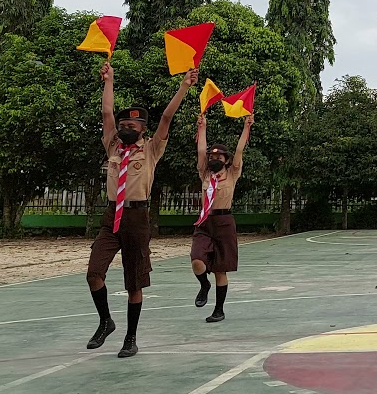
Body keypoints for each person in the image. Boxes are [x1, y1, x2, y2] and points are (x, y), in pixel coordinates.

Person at [87, 62, 197, 358]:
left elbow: (166, 117)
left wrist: (184, 86)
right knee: (94, 273)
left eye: (131, 127)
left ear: (142, 130)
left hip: (136, 218)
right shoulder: (113, 147)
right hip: (112, 215)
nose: (125, 129)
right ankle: (105, 321)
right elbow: (107, 113)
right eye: (123, 126)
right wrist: (108, 80)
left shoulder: (151, 149)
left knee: (134, 280)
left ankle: (131, 337)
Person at [191, 111, 253, 323]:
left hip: (224, 222)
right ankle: (203, 285)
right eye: (212, 157)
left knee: (220, 269)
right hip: (205, 221)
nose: (214, 159)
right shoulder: (205, 173)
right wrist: (202, 127)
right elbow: (201, 149)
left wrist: (246, 126)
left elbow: (239, 150)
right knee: (197, 261)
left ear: (226, 160)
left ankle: (219, 309)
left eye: (219, 157)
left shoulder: (232, 173)